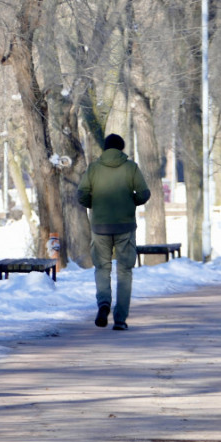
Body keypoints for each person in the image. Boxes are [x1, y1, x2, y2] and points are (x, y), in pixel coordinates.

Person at [77, 134, 150, 330]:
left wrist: (94, 205)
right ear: (121, 149)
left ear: (105, 148)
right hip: (125, 226)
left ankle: (103, 304)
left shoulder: (93, 168)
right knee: (124, 271)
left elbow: (81, 194)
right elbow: (144, 193)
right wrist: (130, 202)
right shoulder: (131, 167)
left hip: (100, 226)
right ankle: (120, 319)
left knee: (102, 268)